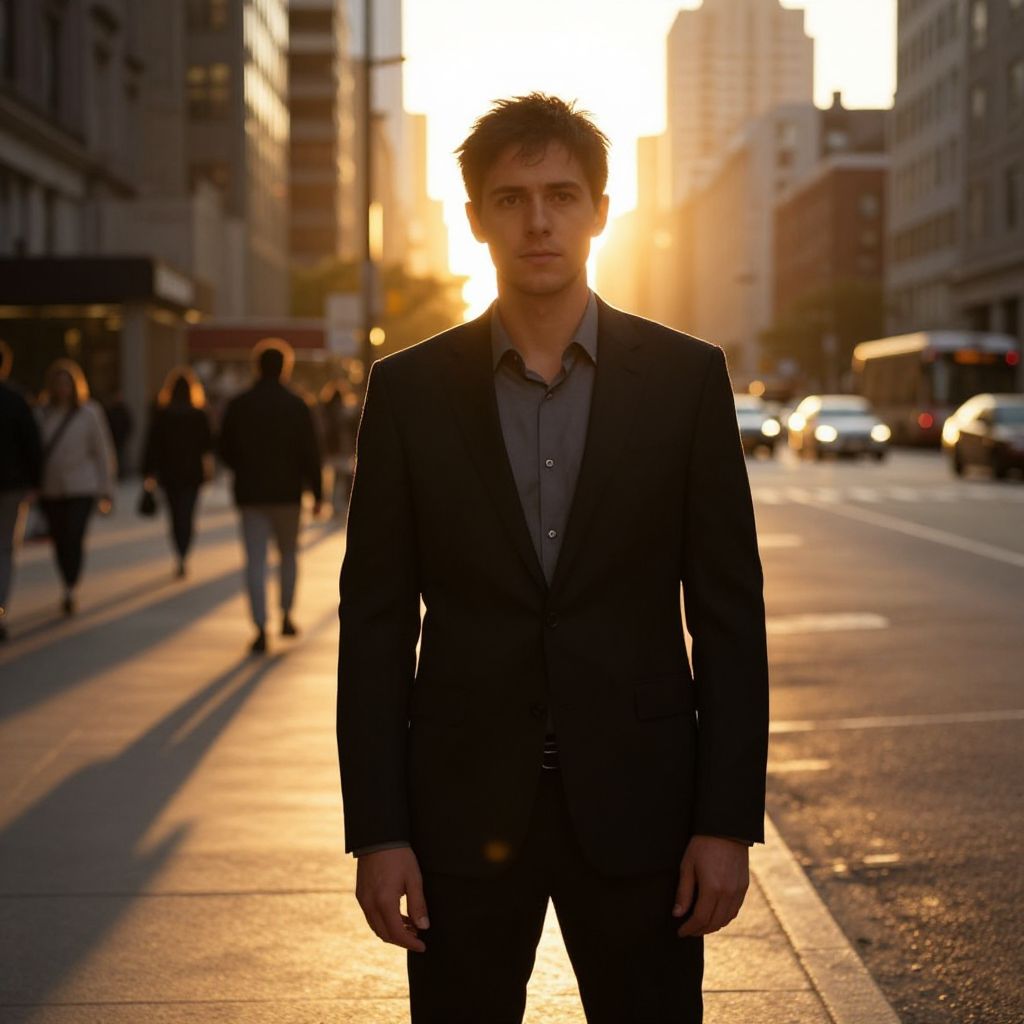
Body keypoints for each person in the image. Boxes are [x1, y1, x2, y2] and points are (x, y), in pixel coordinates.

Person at [336, 94, 769, 1023]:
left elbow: (730, 616)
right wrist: (379, 832)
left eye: (564, 195)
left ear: (603, 211)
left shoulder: (687, 381)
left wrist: (726, 821)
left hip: (644, 811)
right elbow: (375, 623)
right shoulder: (407, 393)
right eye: (512, 197)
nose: (539, 220)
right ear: (475, 219)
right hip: (459, 816)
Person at [218, 338, 323, 654]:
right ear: (285, 368)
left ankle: (260, 626)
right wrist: (317, 493)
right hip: (288, 493)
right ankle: (287, 615)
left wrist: (244, 466)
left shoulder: (239, 404)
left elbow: (224, 449)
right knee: (288, 555)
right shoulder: (297, 405)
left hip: (251, 493)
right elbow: (310, 452)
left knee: (255, 561)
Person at [35, 359, 117, 616]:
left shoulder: (90, 413)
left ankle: (71, 585)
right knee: (60, 539)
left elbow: (102, 452)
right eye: (58, 384)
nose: (62, 389)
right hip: (51, 487)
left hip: (82, 486)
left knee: (74, 534)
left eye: (66, 383)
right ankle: (66, 581)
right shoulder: (42, 414)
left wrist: (107, 489)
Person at [141, 367, 215, 578]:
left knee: (175, 515)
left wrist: (149, 473)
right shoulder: (198, 415)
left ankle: (179, 551)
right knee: (187, 514)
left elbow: (152, 446)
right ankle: (184, 550)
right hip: (192, 474)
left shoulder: (163, 415)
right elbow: (208, 446)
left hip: (169, 474)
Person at [0, 340, 43, 641]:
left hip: (13, 486)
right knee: (3, 549)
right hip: (12, 488)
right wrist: (35, 483)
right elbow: (32, 446)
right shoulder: (16, 401)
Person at [319, 378, 358, 517]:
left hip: (331, 449)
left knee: (333, 478)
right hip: (343, 448)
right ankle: (339, 505)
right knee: (341, 478)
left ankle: (334, 504)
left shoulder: (325, 410)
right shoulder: (345, 411)